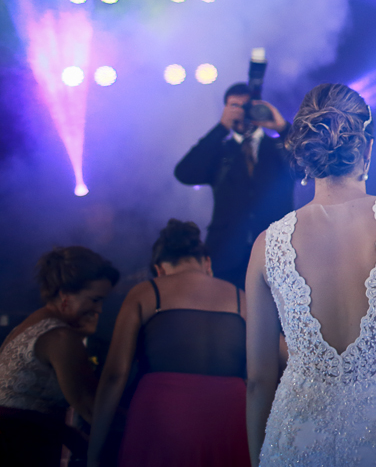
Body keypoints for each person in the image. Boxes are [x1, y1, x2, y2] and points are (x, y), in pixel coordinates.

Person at [245, 83, 376, 466]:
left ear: (303, 155)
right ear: (367, 149)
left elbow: (258, 379)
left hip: (295, 444)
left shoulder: (266, 245)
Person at [87, 220, 249, 467]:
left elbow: (115, 375)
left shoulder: (146, 292)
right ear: (207, 263)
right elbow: (277, 359)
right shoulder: (241, 297)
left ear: (159, 269)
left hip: (163, 415)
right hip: (231, 414)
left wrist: (94, 451)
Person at [0, 246, 118, 466]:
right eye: (94, 299)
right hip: (19, 447)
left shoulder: (31, 325)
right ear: (65, 294)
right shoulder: (61, 337)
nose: (99, 309)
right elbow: (92, 408)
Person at [174, 83, 295, 288]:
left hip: (276, 252)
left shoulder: (278, 148)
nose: (241, 112)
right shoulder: (220, 151)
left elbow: (308, 166)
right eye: (234, 106)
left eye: (246, 106)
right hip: (226, 254)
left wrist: (283, 128)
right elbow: (184, 173)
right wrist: (221, 128)